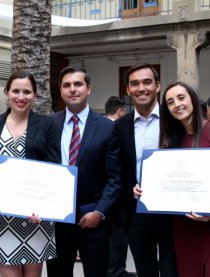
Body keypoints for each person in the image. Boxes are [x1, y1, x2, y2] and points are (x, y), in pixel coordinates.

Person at [0, 71, 61, 277]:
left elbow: (53, 166)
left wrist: (43, 207)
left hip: (36, 215)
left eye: (27, 91)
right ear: (7, 92)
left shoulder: (46, 124)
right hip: (1, 215)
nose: (21, 97)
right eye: (15, 91)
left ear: (34, 95)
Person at [46, 66, 122, 277]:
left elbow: (115, 177)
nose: (72, 89)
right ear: (61, 91)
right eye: (67, 85)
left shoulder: (107, 127)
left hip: (93, 218)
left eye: (78, 84)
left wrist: (100, 212)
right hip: (56, 219)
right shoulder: (48, 124)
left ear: (88, 89)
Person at [156, 81, 210, 276]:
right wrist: (143, 188)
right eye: (170, 102)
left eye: (181, 97)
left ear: (192, 98)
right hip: (185, 226)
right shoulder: (169, 141)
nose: (177, 104)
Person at [114, 63, 178, 277]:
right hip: (137, 213)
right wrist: (129, 190)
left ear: (158, 86)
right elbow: (117, 169)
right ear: (128, 90)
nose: (141, 88)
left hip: (174, 213)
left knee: (173, 271)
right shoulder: (120, 126)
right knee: (145, 272)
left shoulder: (175, 121)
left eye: (147, 82)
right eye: (135, 84)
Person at [103, 96, 135, 277]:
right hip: (117, 193)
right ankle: (116, 270)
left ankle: (115, 269)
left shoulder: (98, 125)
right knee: (117, 236)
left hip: (106, 193)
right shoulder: (119, 127)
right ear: (121, 111)